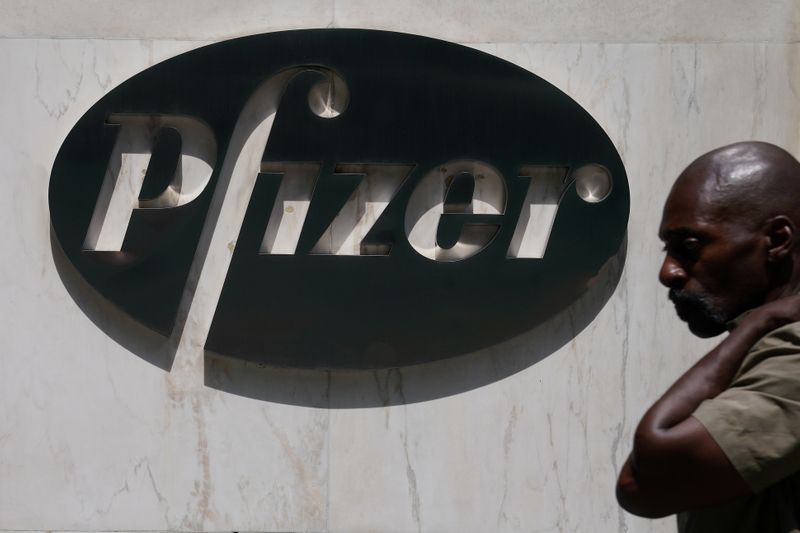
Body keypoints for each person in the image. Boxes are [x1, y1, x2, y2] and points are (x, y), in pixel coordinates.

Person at [616, 141, 800, 532]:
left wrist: (755, 326)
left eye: (690, 247)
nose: (668, 272)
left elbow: (645, 475)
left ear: (778, 240)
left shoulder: (794, 353)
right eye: (669, 249)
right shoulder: (768, 339)